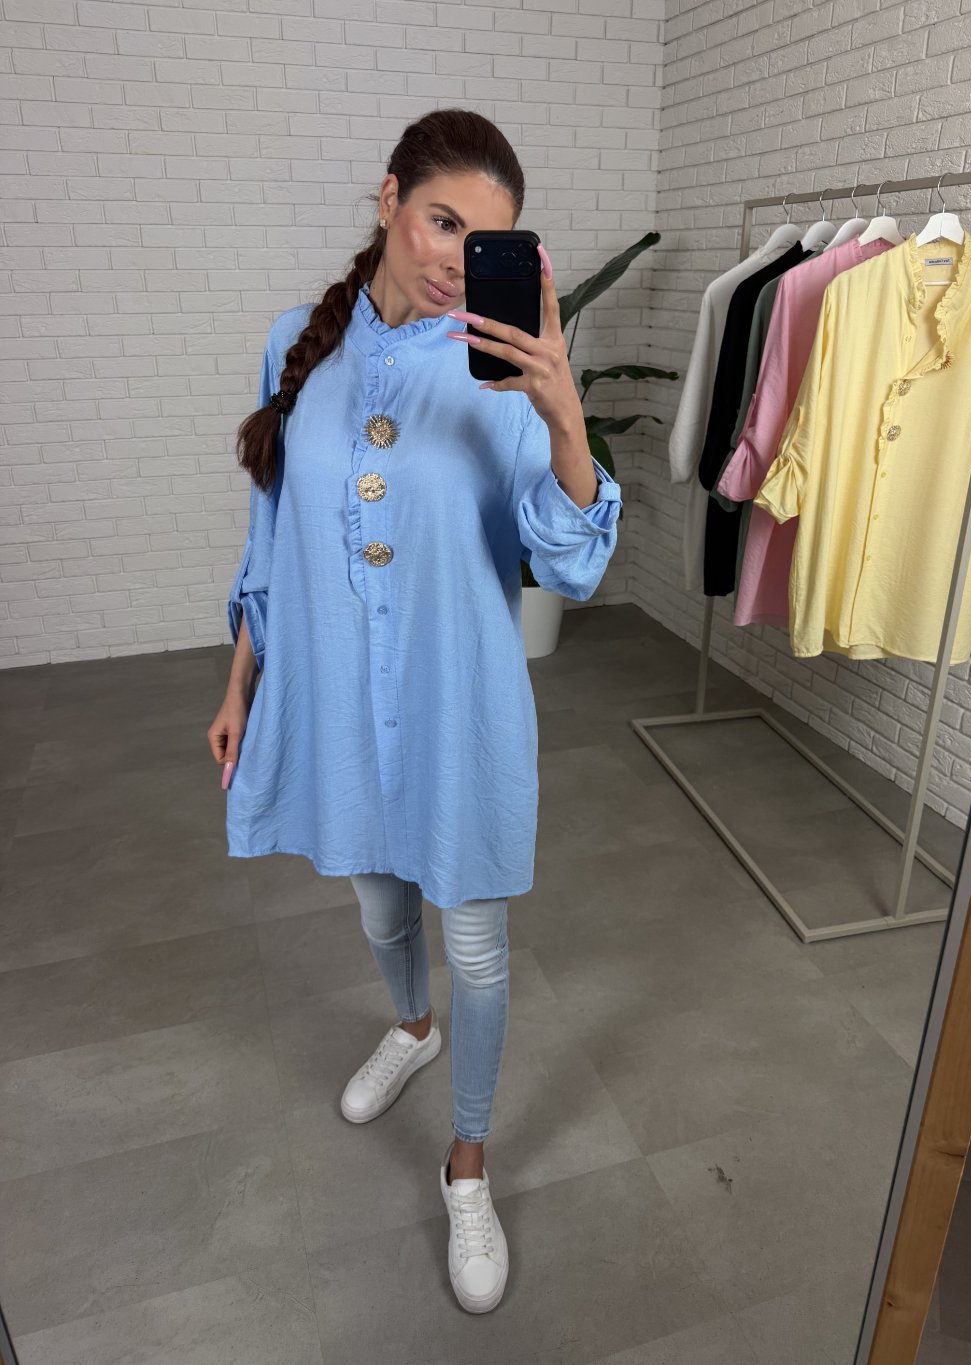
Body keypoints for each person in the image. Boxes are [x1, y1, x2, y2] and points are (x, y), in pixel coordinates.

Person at [207, 107, 622, 1314]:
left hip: (459, 700)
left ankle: (467, 1163)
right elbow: (272, 539)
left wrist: (562, 415)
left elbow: (574, 564)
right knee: (379, 902)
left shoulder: (505, 367)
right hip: (341, 695)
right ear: (388, 198)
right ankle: (410, 1027)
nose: (454, 259)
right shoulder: (296, 343)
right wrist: (239, 685)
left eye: (483, 239)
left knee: (477, 942)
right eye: (442, 221)